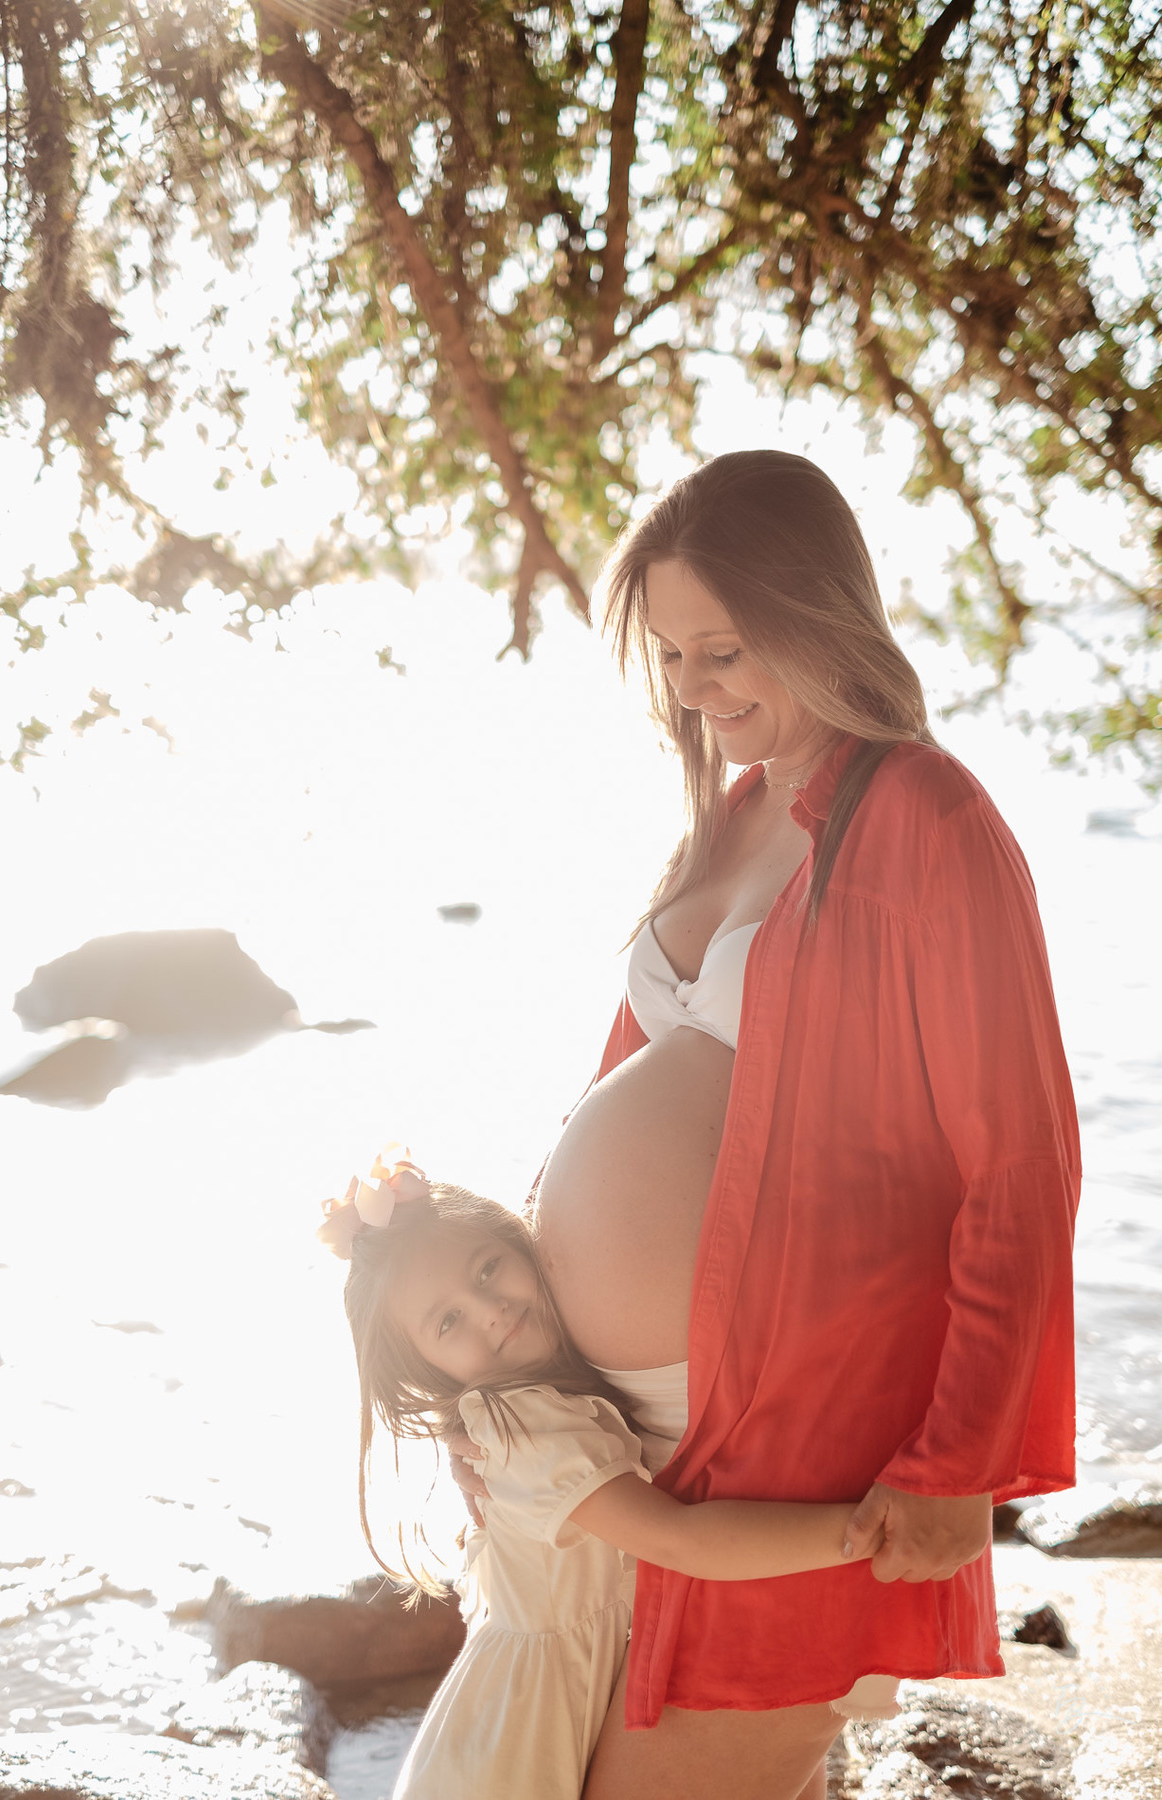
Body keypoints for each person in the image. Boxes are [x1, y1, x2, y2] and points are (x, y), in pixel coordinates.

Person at [448, 449, 1079, 1799]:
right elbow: (621, 1094)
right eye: (673, 655)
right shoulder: (734, 815)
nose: (693, 686)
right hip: (642, 1433)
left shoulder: (925, 816)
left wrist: (958, 1463)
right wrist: (496, 1352)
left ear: (815, 613)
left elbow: (1017, 1168)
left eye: (723, 647)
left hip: (796, 1432)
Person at [318, 1150, 882, 1800]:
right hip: (509, 1758)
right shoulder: (521, 1426)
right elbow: (679, 1539)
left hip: (542, 1711)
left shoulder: (554, 1390)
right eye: (449, 1322)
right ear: (429, 1369)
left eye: (488, 1268)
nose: (489, 1309)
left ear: (521, 1243)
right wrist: (866, 1531)